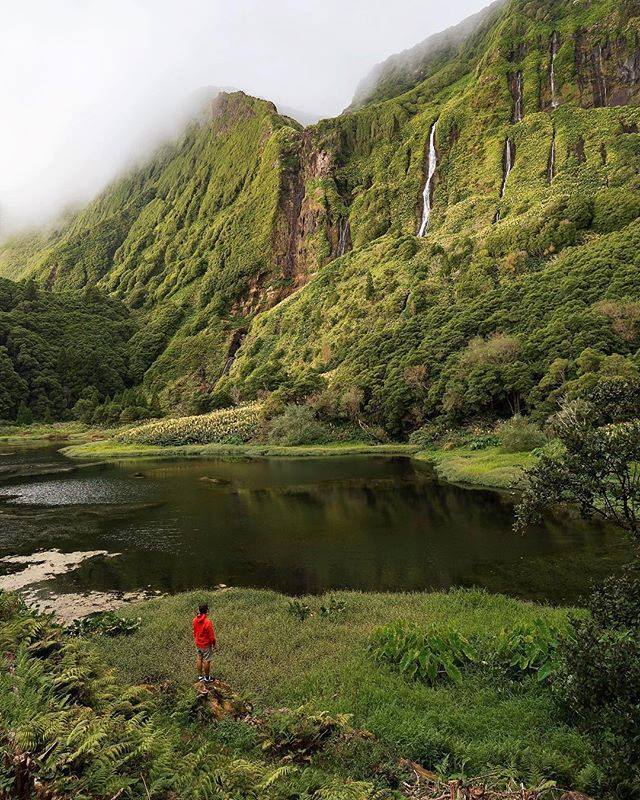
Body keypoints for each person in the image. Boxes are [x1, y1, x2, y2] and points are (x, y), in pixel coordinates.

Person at [193, 602, 216, 684]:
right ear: (207, 611)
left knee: (199, 658)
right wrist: (214, 644)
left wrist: (196, 639)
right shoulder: (207, 622)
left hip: (198, 643)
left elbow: (194, 632)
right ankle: (207, 678)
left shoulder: (195, 620)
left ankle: (200, 677)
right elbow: (211, 636)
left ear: (199, 610)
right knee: (207, 660)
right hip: (206, 645)